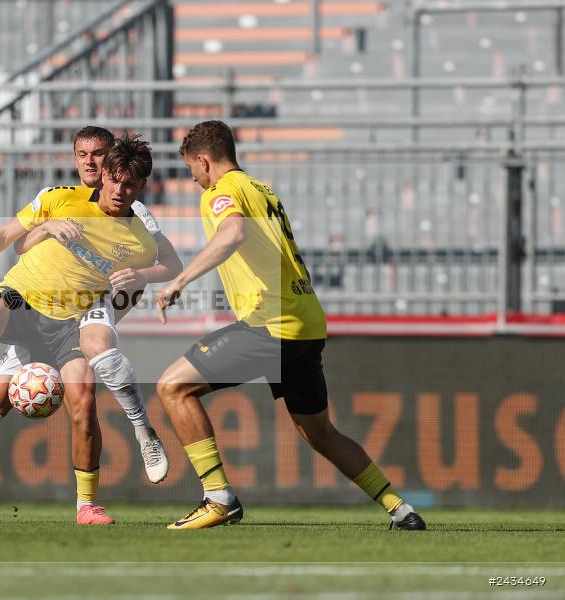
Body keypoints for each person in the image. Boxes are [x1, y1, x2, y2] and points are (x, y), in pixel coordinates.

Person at [155, 120, 426, 531]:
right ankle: (400, 509)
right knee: (320, 433)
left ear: (204, 161)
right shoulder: (261, 189)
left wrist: (180, 281)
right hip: (306, 322)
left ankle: (218, 498)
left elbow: (232, 233)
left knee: (172, 387)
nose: (192, 179)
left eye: (191, 168)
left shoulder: (220, 192)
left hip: (271, 324)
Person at [0, 133, 163, 525]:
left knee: (81, 401)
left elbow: (157, 270)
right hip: (25, 300)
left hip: (70, 321)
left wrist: (117, 306)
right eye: (83, 155)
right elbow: (12, 240)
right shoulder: (57, 196)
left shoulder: (140, 227)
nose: (92, 164)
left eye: (99, 156)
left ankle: (86, 505)